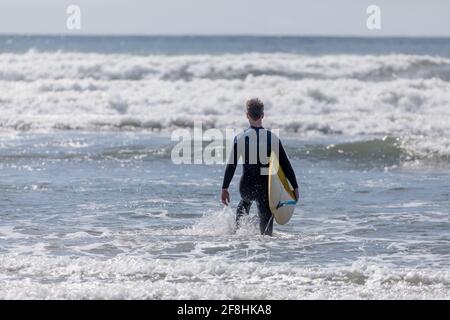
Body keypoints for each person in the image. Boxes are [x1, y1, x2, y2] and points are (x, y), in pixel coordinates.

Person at [221, 98, 299, 236]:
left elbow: (231, 165)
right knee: (266, 220)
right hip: (266, 188)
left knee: (245, 202)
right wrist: (295, 188)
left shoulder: (240, 137)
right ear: (263, 115)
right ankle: (266, 243)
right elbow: (286, 166)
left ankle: (236, 233)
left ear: (247, 115)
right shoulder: (272, 138)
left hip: (246, 186)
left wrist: (225, 188)